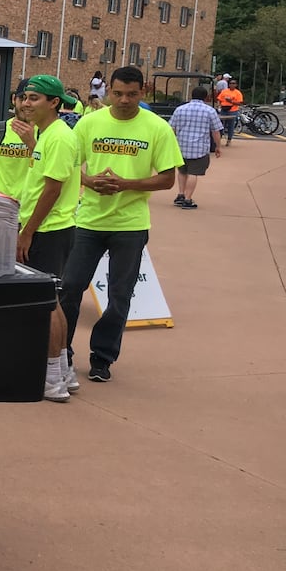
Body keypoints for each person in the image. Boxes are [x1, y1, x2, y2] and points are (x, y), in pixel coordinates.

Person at [59, 66, 183, 383]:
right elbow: (68, 164)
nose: (124, 100)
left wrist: (128, 184)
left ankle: (102, 357)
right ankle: (63, 352)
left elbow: (168, 178)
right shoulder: (89, 122)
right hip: (88, 220)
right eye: (117, 93)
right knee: (70, 287)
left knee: (119, 296)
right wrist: (88, 180)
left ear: (144, 91)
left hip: (130, 224)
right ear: (108, 91)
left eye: (131, 94)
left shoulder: (157, 128)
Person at [14, 75, 82, 401]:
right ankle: (63, 372)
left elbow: (52, 189)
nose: (27, 103)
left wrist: (27, 232)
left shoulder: (58, 138)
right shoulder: (47, 136)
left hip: (49, 230)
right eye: (25, 97)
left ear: (54, 103)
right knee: (52, 300)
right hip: (49, 228)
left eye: (35, 98)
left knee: (47, 302)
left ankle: (53, 375)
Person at [168, 86, 222, 210]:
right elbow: (216, 131)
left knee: (182, 171)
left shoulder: (180, 109)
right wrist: (218, 146)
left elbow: (171, 128)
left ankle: (180, 195)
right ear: (205, 97)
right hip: (199, 148)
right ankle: (188, 199)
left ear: (191, 95)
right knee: (193, 173)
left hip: (181, 146)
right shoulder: (210, 111)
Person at [216, 77, 243, 145]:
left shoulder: (238, 93)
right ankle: (219, 139)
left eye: (233, 83)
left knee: (231, 125)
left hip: (233, 110)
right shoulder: (224, 91)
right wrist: (219, 105)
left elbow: (239, 103)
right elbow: (219, 99)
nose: (231, 85)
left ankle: (229, 139)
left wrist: (231, 101)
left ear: (236, 85)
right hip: (224, 109)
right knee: (221, 125)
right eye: (230, 83)